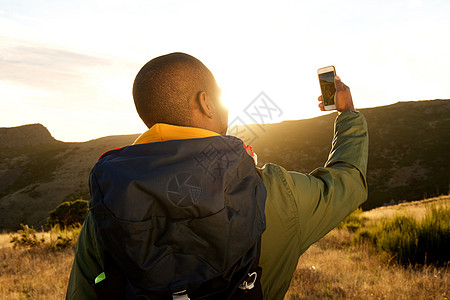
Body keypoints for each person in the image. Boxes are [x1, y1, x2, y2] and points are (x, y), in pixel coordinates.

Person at [66, 52, 368, 300]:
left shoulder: (107, 211)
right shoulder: (275, 194)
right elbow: (347, 181)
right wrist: (348, 114)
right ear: (206, 103)